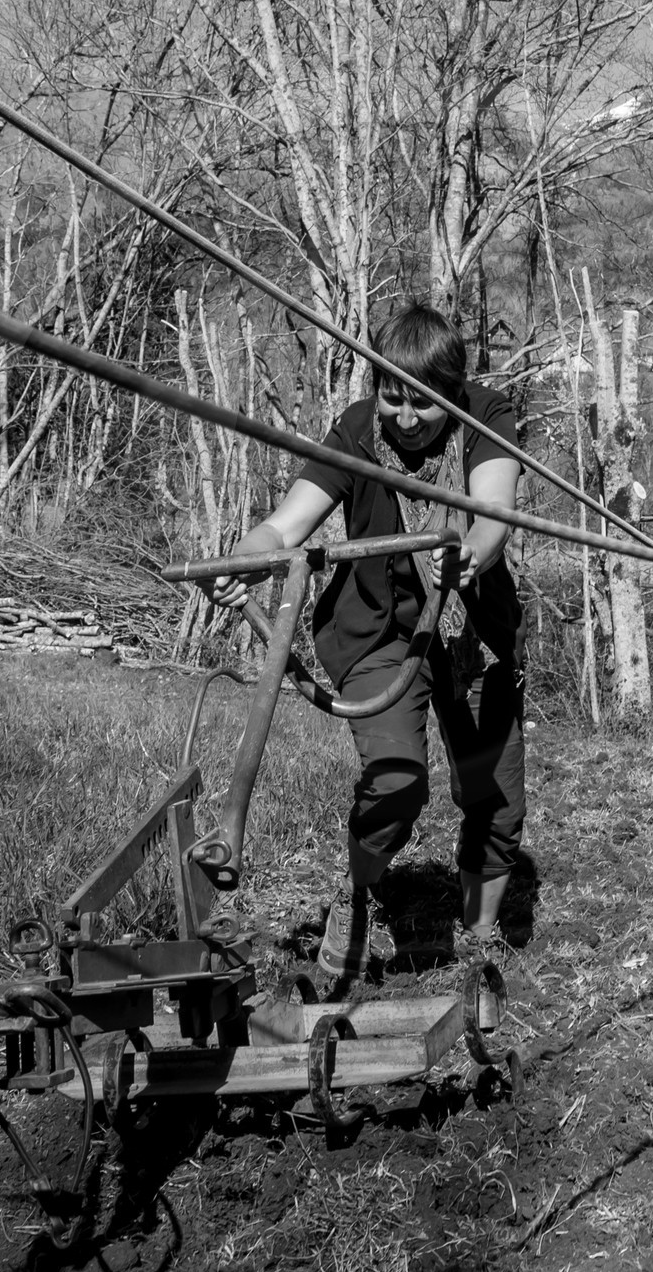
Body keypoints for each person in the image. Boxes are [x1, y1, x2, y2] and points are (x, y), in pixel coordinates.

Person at [212, 300, 526, 978]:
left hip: (473, 635)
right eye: (392, 401)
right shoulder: (355, 433)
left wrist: (470, 553)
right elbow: (286, 527)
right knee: (396, 778)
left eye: (424, 405)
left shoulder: (486, 418)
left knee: (494, 801)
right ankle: (357, 895)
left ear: (454, 395)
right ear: (375, 390)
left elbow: (494, 511)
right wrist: (243, 559)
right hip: (381, 633)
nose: (406, 421)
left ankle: (474, 940)